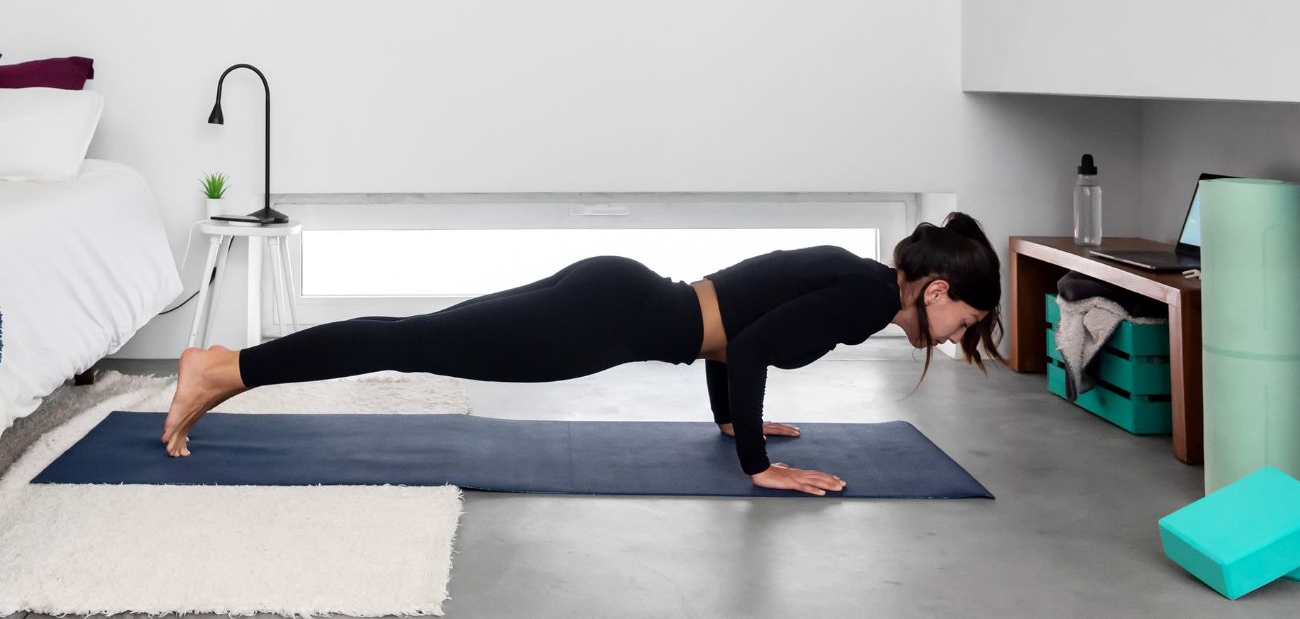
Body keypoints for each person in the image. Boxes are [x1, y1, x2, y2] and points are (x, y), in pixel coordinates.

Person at [162, 211, 1005, 496]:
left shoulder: (859, 281)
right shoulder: (864, 297)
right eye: (969, 318)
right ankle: (226, 367)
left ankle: (228, 366)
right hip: (609, 317)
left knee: (417, 334)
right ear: (934, 290)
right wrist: (755, 463)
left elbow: (741, 327)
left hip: (621, 297)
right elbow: (748, 344)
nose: (963, 334)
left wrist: (725, 422)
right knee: (410, 339)